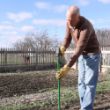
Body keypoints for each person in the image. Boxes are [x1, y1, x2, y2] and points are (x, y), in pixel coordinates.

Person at [56, 6, 101, 110]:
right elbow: (67, 38)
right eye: (68, 20)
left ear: (78, 17)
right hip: (81, 55)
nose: (70, 24)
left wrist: (67, 67)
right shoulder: (69, 22)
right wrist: (63, 47)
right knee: (81, 82)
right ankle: (84, 106)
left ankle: (86, 108)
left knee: (89, 83)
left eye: (72, 21)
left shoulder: (86, 26)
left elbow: (80, 47)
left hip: (92, 55)